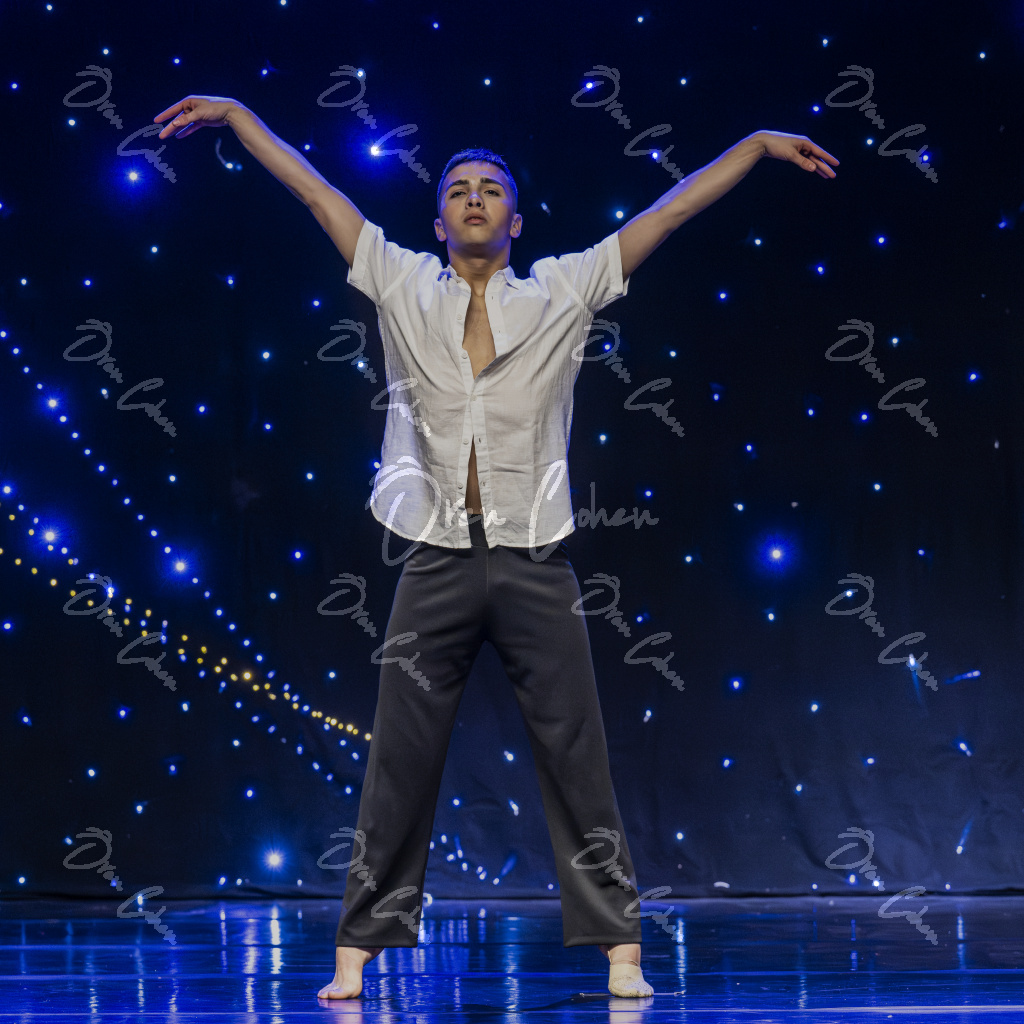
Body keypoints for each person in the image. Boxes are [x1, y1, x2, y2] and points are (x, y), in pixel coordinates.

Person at [153, 95, 839, 1001]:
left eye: (491, 189)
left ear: (515, 221)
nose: (474, 198)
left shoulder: (563, 288)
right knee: (400, 758)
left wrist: (751, 143)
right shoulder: (401, 281)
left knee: (575, 752)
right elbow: (317, 193)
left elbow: (669, 212)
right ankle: (356, 950)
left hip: (533, 561)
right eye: (458, 191)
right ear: (439, 224)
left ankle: (621, 947)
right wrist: (240, 118)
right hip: (433, 558)